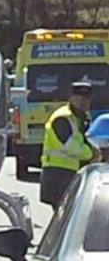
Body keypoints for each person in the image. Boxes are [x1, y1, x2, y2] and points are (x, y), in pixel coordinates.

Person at [40, 79, 98, 209]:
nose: (84, 102)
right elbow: (70, 146)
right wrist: (91, 154)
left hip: (71, 172)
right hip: (58, 174)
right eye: (79, 97)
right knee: (64, 217)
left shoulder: (81, 117)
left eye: (87, 98)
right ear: (71, 98)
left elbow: (86, 138)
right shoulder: (62, 118)